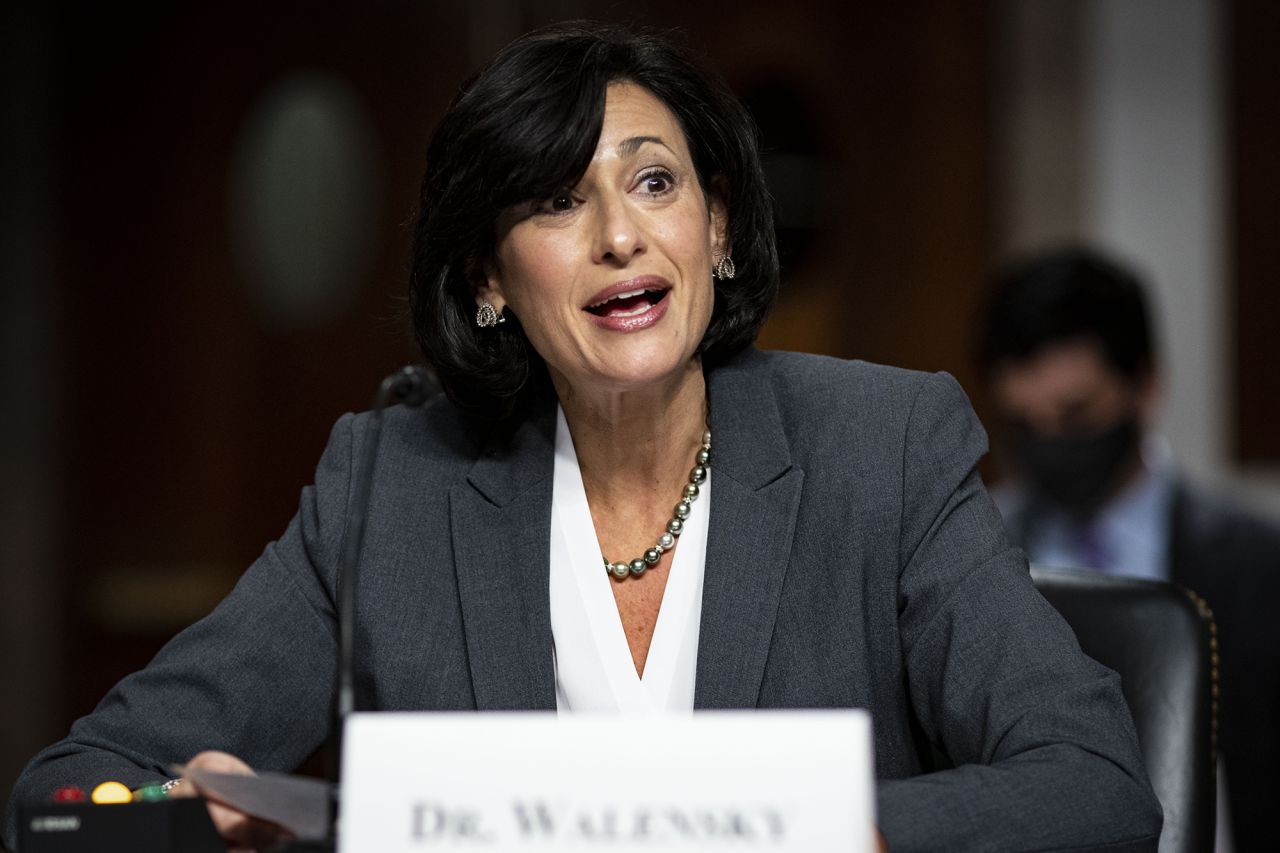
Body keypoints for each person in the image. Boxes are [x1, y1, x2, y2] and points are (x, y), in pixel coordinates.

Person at [5, 24, 1161, 852]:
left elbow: (1095, 784)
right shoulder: (391, 482)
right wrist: (178, 819)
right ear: (488, 279)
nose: (617, 235)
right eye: (554, 201)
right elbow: (68, 792)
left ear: (714, 230)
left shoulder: (880, 448)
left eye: (653, 182)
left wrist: (829, 828)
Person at [977, 246, 1280, 849]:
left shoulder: (1258, 565)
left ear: (1145, 383)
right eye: (1024, 421)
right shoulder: (970, 548)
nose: (1050, 443)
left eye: (1075, 414)